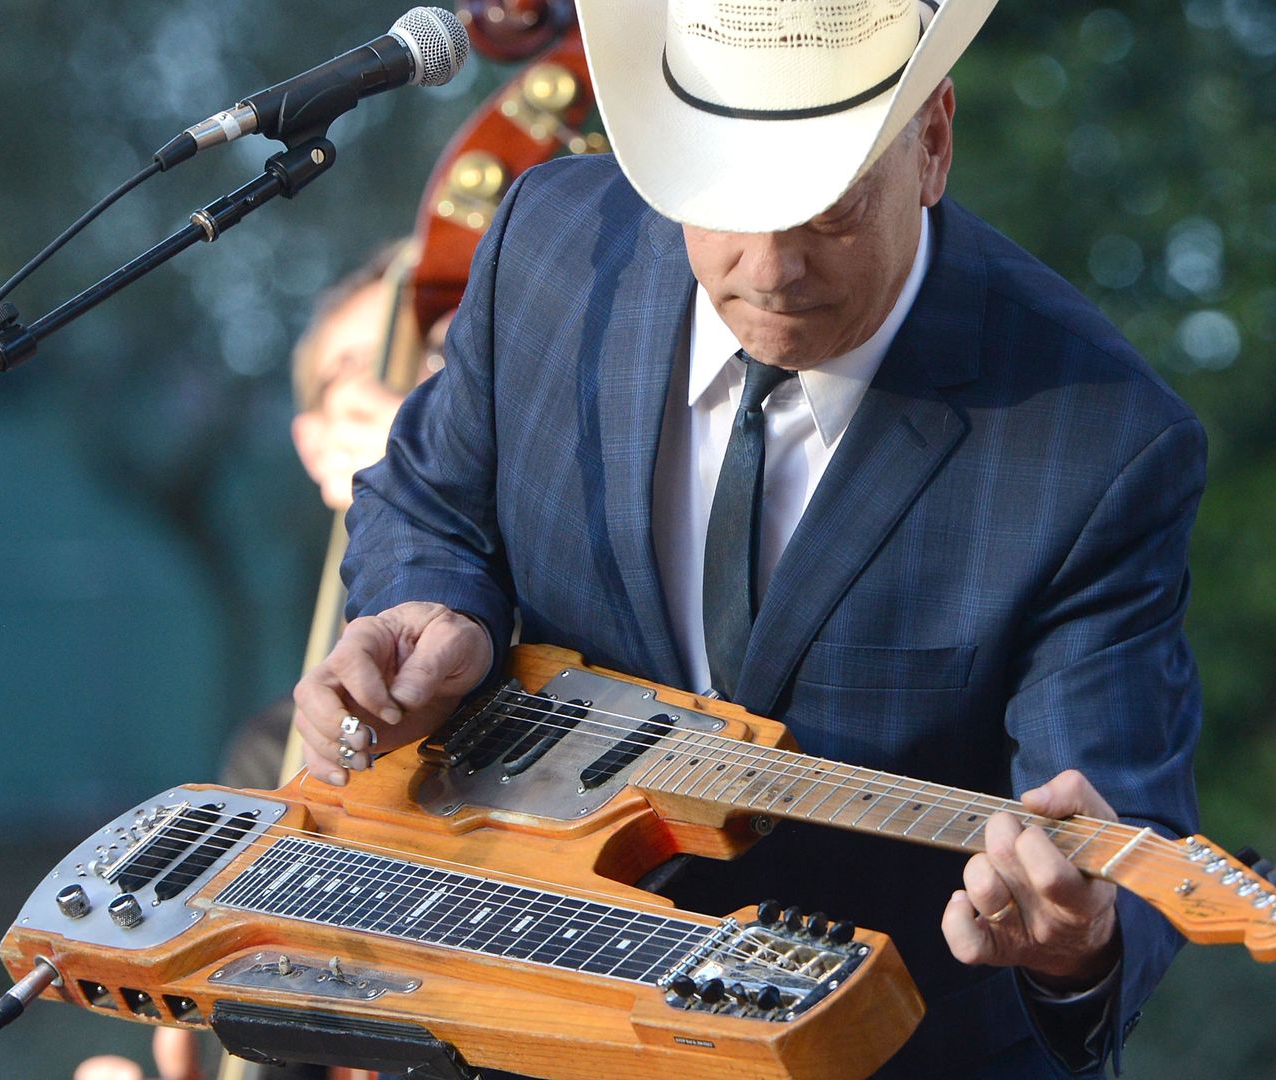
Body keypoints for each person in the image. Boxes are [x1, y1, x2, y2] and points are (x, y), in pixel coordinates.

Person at [293, 1, 1205, 1076]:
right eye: (725, 201)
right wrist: (425, 606)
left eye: (825, 210)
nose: (771, 269)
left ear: (933, 141)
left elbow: (1116, 834)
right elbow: (428, 500)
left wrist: (1078, 938)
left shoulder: (1100, 443)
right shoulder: (547, 244)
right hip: (531, 1027)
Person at [75, 245, 422, 1080]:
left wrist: (425, 465)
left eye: (434, 361)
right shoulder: (268, 759)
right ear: (318, 448)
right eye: (358, 371)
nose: (394, 389)